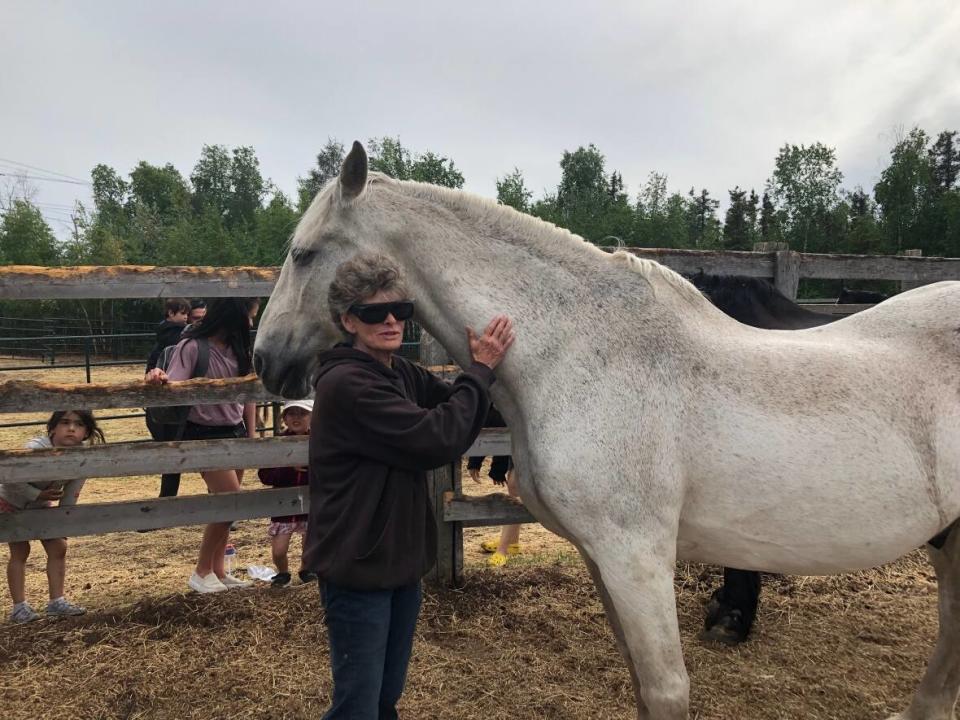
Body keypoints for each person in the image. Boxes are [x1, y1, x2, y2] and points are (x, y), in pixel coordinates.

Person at [306, 252, 514, 719]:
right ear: (348, 321)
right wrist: (479, 372)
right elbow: (436, 437)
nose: (391, 321)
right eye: (374, 312)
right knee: (357, 706)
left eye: (400, 310)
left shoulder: (397, 372)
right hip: (359, 567)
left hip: (397, 563)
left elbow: (458, 403)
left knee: (383, 698)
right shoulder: (349, 385)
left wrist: (490, 379)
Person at [145, 297, 260, 594]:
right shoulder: (192, 346)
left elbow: (248, 393)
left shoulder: (240, 349)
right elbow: (176, 383)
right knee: (229, 500)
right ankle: (201, 571)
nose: (251, 323)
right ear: (233, 316)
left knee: (226, 508)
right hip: (203, 433)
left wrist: (251, 436)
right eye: (249, 316)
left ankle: (219, 571)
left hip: (234, 431)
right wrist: (158, 376)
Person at [2, 410, 105, 623]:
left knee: (58, 546)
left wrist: (63, 520)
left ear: (86, 432)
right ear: (53, 428)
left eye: (78, 424)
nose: (71, 428)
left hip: (40, 504)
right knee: (21, 549)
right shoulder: (36, 449)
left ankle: (56, 601)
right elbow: (11, 477)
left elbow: (73, 489)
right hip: (11, 501)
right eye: (65, 422)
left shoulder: (81, 457)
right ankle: (19, 607)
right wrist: (36, 494)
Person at [258, 399, 316, 588]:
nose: (297, 417)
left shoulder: (319, 442)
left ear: (313, 417)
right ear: (284, 417)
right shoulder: (278, 443)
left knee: (310, 546)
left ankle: (306, 569)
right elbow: (265, 475)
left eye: (303, 413)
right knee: (279, 550)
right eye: (292, 413)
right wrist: (290, 469)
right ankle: (283, 572)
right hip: (283, 507)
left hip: (309, 505)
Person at [144, 298, 192, 499]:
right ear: (170, 314)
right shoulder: (179, 338)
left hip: (165, 405)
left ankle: (166, 501)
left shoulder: (164, 336)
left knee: (172, 458)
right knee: (174, 456)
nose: (186, 317)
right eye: (182, 313)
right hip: (175, 404)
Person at [467, 405, 522, 567]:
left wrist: (496, 468)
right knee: (514, 486)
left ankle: (503, 549)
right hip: (515, 437)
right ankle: (511, 543)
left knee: (514, 485)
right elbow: (495, 420)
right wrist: (475, 461)